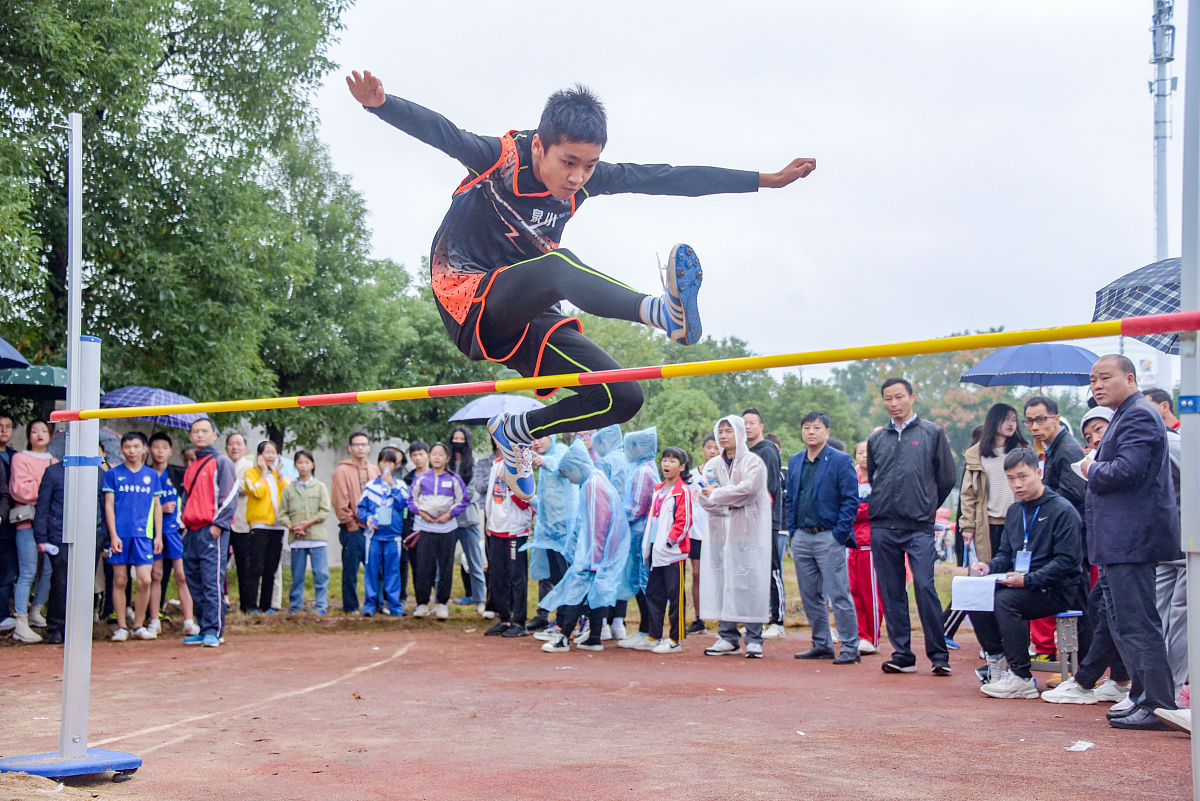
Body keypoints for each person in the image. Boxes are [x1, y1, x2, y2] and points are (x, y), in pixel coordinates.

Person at [346, 70, 816, 501]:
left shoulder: (587, 179)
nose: (577, 178)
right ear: (539, 147)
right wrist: (380, 104)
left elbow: (667, 177)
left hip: (528, 311)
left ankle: (517, 431)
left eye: (590, 166)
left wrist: (766, 180)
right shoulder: (499, 159)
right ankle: (659, 312)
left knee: (623, 395)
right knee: (558, 266)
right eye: (568, 162)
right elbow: (442, 132)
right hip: (469, 299)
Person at [1080, 355, 1180, 729]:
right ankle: (1142, 695)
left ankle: (1157, 703)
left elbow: (1127, 471)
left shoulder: (1139, 414)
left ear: (1131, 378)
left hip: (1132, 540)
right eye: (1093, 380)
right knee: (1124, 623)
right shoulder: (1125, 414)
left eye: (1105, 377)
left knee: (1138, 623)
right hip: (1118, 540)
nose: (1097, 385)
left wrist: (1091, 467)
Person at [970, 448, 1083, 699]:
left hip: (1055, 589)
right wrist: (989, 567)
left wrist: (1028, 580)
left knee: (1004, 601)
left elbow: (1067, 562)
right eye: (1011, 479)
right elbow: (1006, 555)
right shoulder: (1014, 511)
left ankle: (1021, 677)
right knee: (975, 595)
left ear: (1038, 472)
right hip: (1023, 584)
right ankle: (997, 661)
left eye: (1023, 476)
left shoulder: (1062, 510)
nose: (1017, 484)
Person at [1040, 406, 1132, 706]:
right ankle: (1119, 679)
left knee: (1107, 610)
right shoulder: (1095, 461)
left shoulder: (1119, 460)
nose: (1094, 439)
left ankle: (1086, 680)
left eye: (1099, 430)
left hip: (1126, 548)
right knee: (1103, 607)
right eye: (1089, 435)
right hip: (1106, 547)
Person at [866, 378, 956, 675]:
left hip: (918, 526)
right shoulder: (877, 439)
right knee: (892, 590)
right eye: (888, 398)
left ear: (912, 398)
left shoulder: (932, 433)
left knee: (924, 586)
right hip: (883, 525)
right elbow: (875, 476)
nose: (894, 403)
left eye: (899, 397)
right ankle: (902, 654)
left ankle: (939, 655)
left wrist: (925, 505)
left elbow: (946, 477)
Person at [539, 439, 632, 653]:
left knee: (576, 591)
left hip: (595, 552)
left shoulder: (592, 484)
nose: (569, 479)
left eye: (568, 473)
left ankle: (564, 637)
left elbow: (598, 522)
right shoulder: (595, 479)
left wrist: (593, 557)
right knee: (596, 593)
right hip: (601, 550)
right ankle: (594, 637)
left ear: (575, 467)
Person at [787, 412, 861, 664]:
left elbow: (851, 499)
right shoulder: (796, 460)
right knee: (809, 594)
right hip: (802, 536)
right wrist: (793, 530)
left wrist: (839, 533)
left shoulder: (840, 460)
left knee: (839, 593)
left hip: (829, 536)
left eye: (816, 428)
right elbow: (790, 498)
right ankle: (821, 643)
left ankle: (850, 646)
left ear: (827, 432)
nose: (810, 432)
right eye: (806, 427)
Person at [697, 415, 772, 659]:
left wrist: (719, 495)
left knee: (749, 583)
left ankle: (754, 638)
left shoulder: (753, 462)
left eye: (728, 431)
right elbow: (703, 497)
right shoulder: (712, 465)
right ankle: (728, 637)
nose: (723, 436)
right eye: (720, 431)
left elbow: (748, 491)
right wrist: (728, 503)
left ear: (739, 434)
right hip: (720, 533)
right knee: (724, 582)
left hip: (747, 533)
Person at [1022, 395, 1088, 660]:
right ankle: (1072, 660)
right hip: (1063, 533)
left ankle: (1084, 665)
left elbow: (1074, 494)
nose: (1035, 426)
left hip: (1074, 536)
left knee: (1079, 601)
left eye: (1041, 419)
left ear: (1056, 418)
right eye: (1029, 421)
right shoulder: (1050, 448)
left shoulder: (1067, 449)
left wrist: (1041, 500)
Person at [33, 457, 104, 645]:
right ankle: (56, 628)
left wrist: (104, 537)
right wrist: (41, 537)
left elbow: (104, 506)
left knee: (85, 583)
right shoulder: (54, 472)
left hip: (92, 536)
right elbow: (42, 507)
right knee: (61, 581)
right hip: (59, 536)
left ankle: (80, 628)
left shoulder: (98, 473)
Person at [180, 417, 238, 647]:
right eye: (196, 431)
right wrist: (183, 527)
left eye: (205, 431)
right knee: (194, 580)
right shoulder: (192, 466)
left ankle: (214, 630)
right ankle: (204, 628)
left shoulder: (222, 462)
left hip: (211, 530)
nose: (200, 435)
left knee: (211, 580)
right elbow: (186, 498)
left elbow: (230, 495)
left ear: (214, 434)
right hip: (192, 531)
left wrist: (218, 525)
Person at [103, 431, 164, 641]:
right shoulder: (113, 474)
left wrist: (158, 536)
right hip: (120, 535)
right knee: (120, 580)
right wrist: (113, 535)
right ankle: (121, 627)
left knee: (145, 580)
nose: (132, 451)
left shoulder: (152, 475)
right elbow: (109, 506)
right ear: (121, 449)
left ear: (144, 449)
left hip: (144, 536)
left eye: (136, 446)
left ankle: (138, 625)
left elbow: (157, 506)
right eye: (127, 447)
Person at [639, 446, 694, 654]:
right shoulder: (658, 489)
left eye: (672, 461)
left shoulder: (682, 491)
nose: (666, 464)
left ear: (682, 467)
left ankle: (675, 639)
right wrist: (651, 545)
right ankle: (654, 636)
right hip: (655, 551)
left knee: (675, 596)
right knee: (654, 594)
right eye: (664, 460)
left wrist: (670, 542)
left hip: (673, 554)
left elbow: (684, 521)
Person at [408, 443, 470, 619]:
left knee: (445, 567)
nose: (437, 457)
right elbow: (411, 500)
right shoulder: (421, 479)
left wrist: (449, 515)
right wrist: (422, 514)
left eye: (441, 454)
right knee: (424, 567)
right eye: (434, 454)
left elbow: (463, 500)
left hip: (447, 529)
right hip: (426, 528)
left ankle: (441, 604)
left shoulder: (454, 479)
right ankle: (421, 603)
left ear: (447, 459)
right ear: (429, 457)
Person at [8, 419, 57, 643]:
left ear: (50, 435)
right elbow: (20, 490)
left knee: (48, 570)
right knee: (27, 570)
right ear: (28, 435)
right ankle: (21, 620)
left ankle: (36, 610)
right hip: (27, 521)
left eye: (44, 431)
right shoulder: (20, 458)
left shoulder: (55, 461)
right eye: (34, 431)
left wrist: (39, 486)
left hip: (49, 524)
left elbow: (56, 492)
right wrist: (45, 489)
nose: (39, 434)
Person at [959, 404, 1027, 563]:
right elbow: (968, 495)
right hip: (986, 523)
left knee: (1015, 567)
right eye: (1006, 419)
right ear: (994, 421)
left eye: (1014, 420)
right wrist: (968, 526)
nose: (1011, 424)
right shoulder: (976, 454)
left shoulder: (1021, 452)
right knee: (987, 567)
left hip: (1016, 521)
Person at [527, 434, 580, 633]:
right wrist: (527, 497)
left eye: (541, 438)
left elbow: (562, 466)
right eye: (533, 439)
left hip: (564, 530)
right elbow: (545, 499)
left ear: (552, 437)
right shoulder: (542, 461)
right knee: (556, 578)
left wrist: (545, 461)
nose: (536, 443)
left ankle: (567, 624)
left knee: (567, 577)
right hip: (550, 531)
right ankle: (560, 621)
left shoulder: (560, 452)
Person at [147, 433, 198, 637]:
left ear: (170, 451)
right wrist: (159, 508)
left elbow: (191, 498)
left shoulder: (179, 474)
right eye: (156, 447)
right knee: (156, 575)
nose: (160, 451)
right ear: (149, 450)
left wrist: (184, 522)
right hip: (153, 532)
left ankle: (189, 621)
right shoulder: (145, 474)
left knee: (182, 576)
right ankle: (154, 620)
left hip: (175, 532)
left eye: (164, 447)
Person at [482, 441, 534, 637]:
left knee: (516, 577)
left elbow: (525, 501)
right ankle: (504, 618)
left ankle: (519, 622)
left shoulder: (523, 467)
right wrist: (488, 521)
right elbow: (490, 496)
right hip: (496, 528)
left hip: (515, 530)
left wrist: (511, 483)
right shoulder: (496, 465)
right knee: (498, 575)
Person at [743, 408, 786, 639]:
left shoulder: (767, 451)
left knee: (771, 569)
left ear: (761, 426)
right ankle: (754, 619)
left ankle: (778, 621)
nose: (747, 427)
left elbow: (767, 487)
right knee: (751, 572)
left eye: (752, 422)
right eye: (744, 423)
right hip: (747, 521)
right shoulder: (744, 452)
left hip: (766, 520)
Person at [615, 427, 659, 649]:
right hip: (640, 531)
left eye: (630, 447)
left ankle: (648, 632)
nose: (627, 451)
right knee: (640, 582)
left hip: (639, 533)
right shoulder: (645, 468)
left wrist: (619, 522)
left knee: (642, 583)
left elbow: (637, 506)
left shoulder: (643, 471)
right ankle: (644, 629)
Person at [278, 449, 332, 615]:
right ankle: (295, 606)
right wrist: (292, 526)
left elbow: (325, 511)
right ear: (295, 465)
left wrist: (307, 524)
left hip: (317, 537)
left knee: (320, 574)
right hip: (297, 539)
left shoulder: (320, 487)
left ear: (312, 465)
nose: (303, 466)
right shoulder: (289, 489)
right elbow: (282, 514)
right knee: (297, 575)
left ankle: (321, 605)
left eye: (306, 463)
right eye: (300, 463)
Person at [357, 448, 409, 617]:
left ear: (395, 465)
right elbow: (361, 508)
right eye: (384, 461)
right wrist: (368, 518)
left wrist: (392, 486)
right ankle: (370, 605)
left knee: (393, 571)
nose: (387, 465)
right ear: (378, 464)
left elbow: (403, 505)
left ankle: (394, 605)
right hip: (374, 536)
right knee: (371, 571)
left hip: (393, 536)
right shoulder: (370, 486)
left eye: (390, 462)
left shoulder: (400, 485)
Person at [332, 431, 379, 614]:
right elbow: (339, 500)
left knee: (375, 568)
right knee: (350, 571)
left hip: (373, 528)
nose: (361, 448)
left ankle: (375, 604)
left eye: (364, 444)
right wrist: (350, 522)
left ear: (369, 448)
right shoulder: (342, 471)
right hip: (352, 528)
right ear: (350, 448)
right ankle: (351, 606)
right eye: (357, 444)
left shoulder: (374, 470)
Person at [241, 440, 289, 615]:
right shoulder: (251, 473)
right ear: (259, 455)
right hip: (260, 525)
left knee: (271, 567)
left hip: (277, 526)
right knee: (256, 566)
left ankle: (266, 605)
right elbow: (257, 491)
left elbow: (286, 493)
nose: (270, 456)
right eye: (267, 452)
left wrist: (279, 474)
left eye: (273, 452)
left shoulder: (277, 475)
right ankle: (250, 605)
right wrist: (262, 473)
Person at [848, 441, 884, 655]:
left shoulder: (880, 479)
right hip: (851, 543)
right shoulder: (851, 477)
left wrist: (853, 510)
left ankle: (872, 636)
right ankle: (860, 634)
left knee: (870, 593)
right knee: (854, 592)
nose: (864, 456)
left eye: (868, 453)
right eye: (860, 453)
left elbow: (873, 508)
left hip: (870, 543)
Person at [448, 426, 487, 613]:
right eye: (455, 439)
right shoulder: (446, 464)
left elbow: (472, 492)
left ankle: (480, 600)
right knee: (443, 562)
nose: (458, 442)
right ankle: (441, 600)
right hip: (446, 521)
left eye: (461, 439)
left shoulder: (474, 464)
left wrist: (454, 503)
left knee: (474, 561)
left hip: (468, 519)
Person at [686, 435, 721, 635]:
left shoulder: (724, 474)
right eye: (709, 447)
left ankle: (724, 619)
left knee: (718, 575)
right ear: (702, 450)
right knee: (697, 574)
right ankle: (699, 619)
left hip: (716, 532)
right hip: (696, 532)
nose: (712, 451)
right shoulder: (691, 476)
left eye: (716, 448)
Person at [0, 410, 16, 633]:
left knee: (6, 573)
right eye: (0, 426)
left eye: (8, 426)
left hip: (9, 524)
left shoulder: (15, 456)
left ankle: (3, 615)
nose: (4, 430)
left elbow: (4, 494)